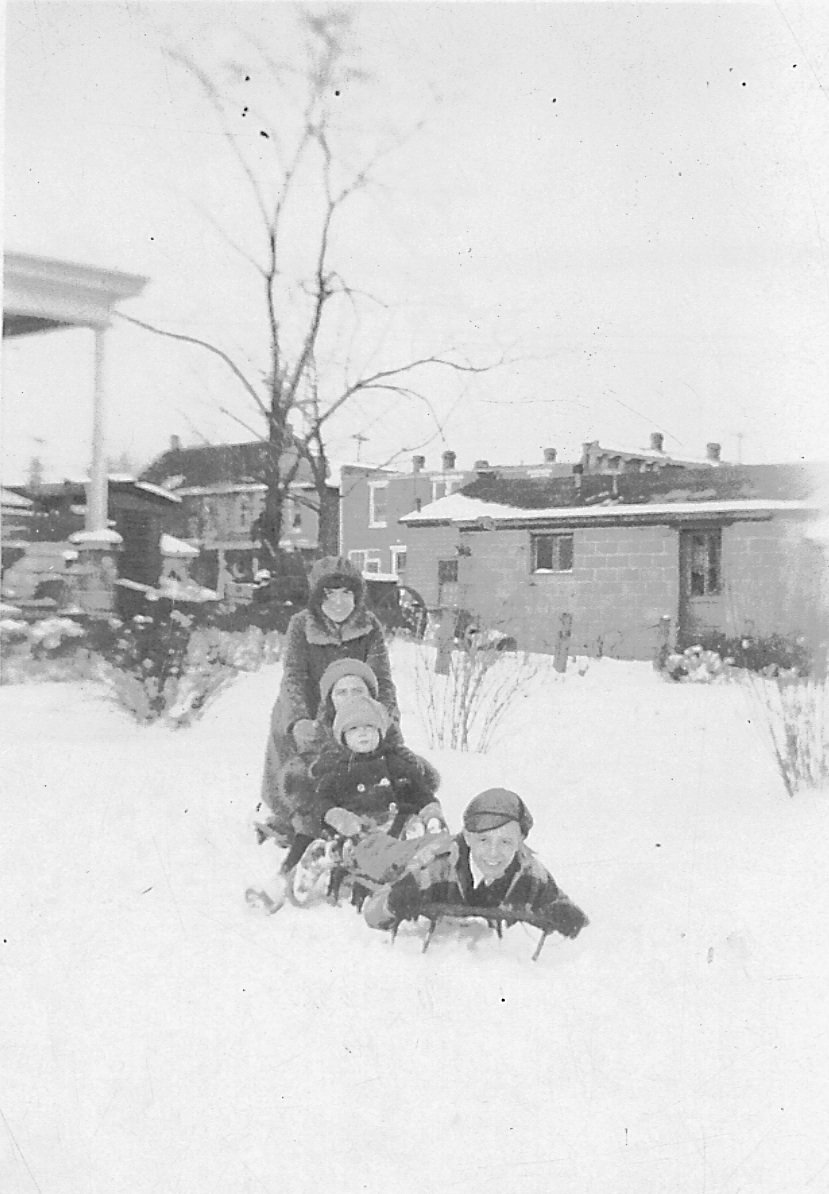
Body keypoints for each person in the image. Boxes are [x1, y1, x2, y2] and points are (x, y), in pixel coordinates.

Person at [259, 555, 398, 829]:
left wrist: (387, 714)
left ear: (357, 596)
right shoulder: (301, 625)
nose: (338, 602)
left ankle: (387, 802)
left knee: (384, 740)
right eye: (329, 594)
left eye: (346, 593)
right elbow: (294, 676)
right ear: (317, 598)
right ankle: (291, 811)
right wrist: (298, 719)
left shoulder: (370, 627)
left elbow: (381, 677)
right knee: (292, 742)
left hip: (354, 702)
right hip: (309, 703)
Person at [362, 788, 589, 941]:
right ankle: (359, 841)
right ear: (468, 837)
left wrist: (565, 914)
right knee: (377, 855)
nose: (493, 852)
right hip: (422, 850)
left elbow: (564, 906)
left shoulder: (528, 873)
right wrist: (394, 901)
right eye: (483, 840)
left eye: (506, 842)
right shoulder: (435, 868)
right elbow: (373, 912)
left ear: (520, 843)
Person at [309, 696, 444, 835]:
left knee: (418, 834)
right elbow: (322, 802)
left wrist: (431, 812)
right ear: (343, 737)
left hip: (400, 827)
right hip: (359, 831)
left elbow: (421, 793)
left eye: (369, 726)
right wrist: (336, 816)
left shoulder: (397, 763)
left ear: (380, 732)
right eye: (354, 728)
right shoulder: (337, 770)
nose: (363, 733)